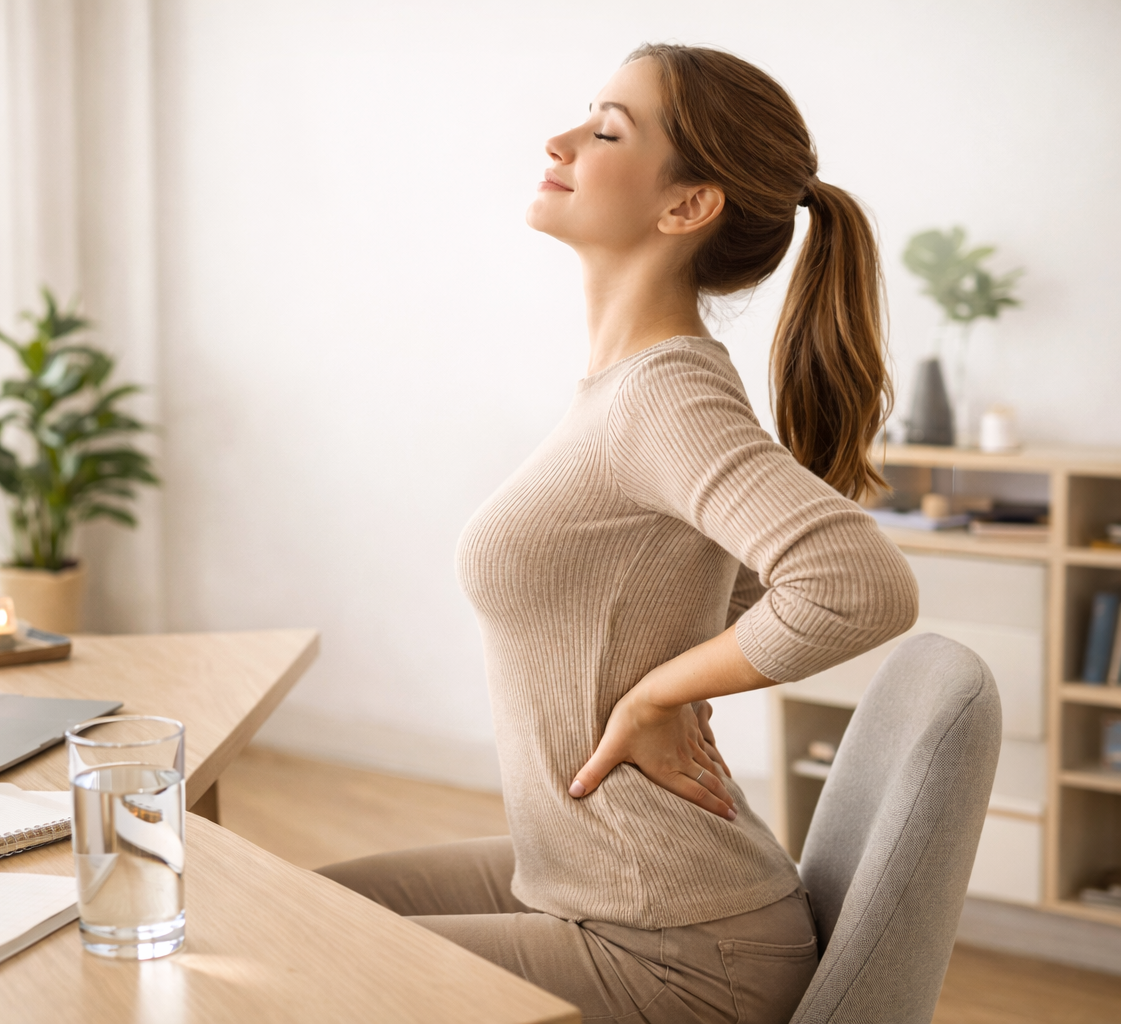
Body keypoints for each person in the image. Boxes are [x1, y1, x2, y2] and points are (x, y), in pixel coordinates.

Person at [316, 43, 919, 1023]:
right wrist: (679, 656)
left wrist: (657, 691)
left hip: (678, 948)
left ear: (686, 207)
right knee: (285, 909)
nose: (559, 140)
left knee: (284, 958)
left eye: (604, 131)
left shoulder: (665, 396)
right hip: (605, 884)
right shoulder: (632, 390)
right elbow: (721, 582)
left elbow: (858, 583)